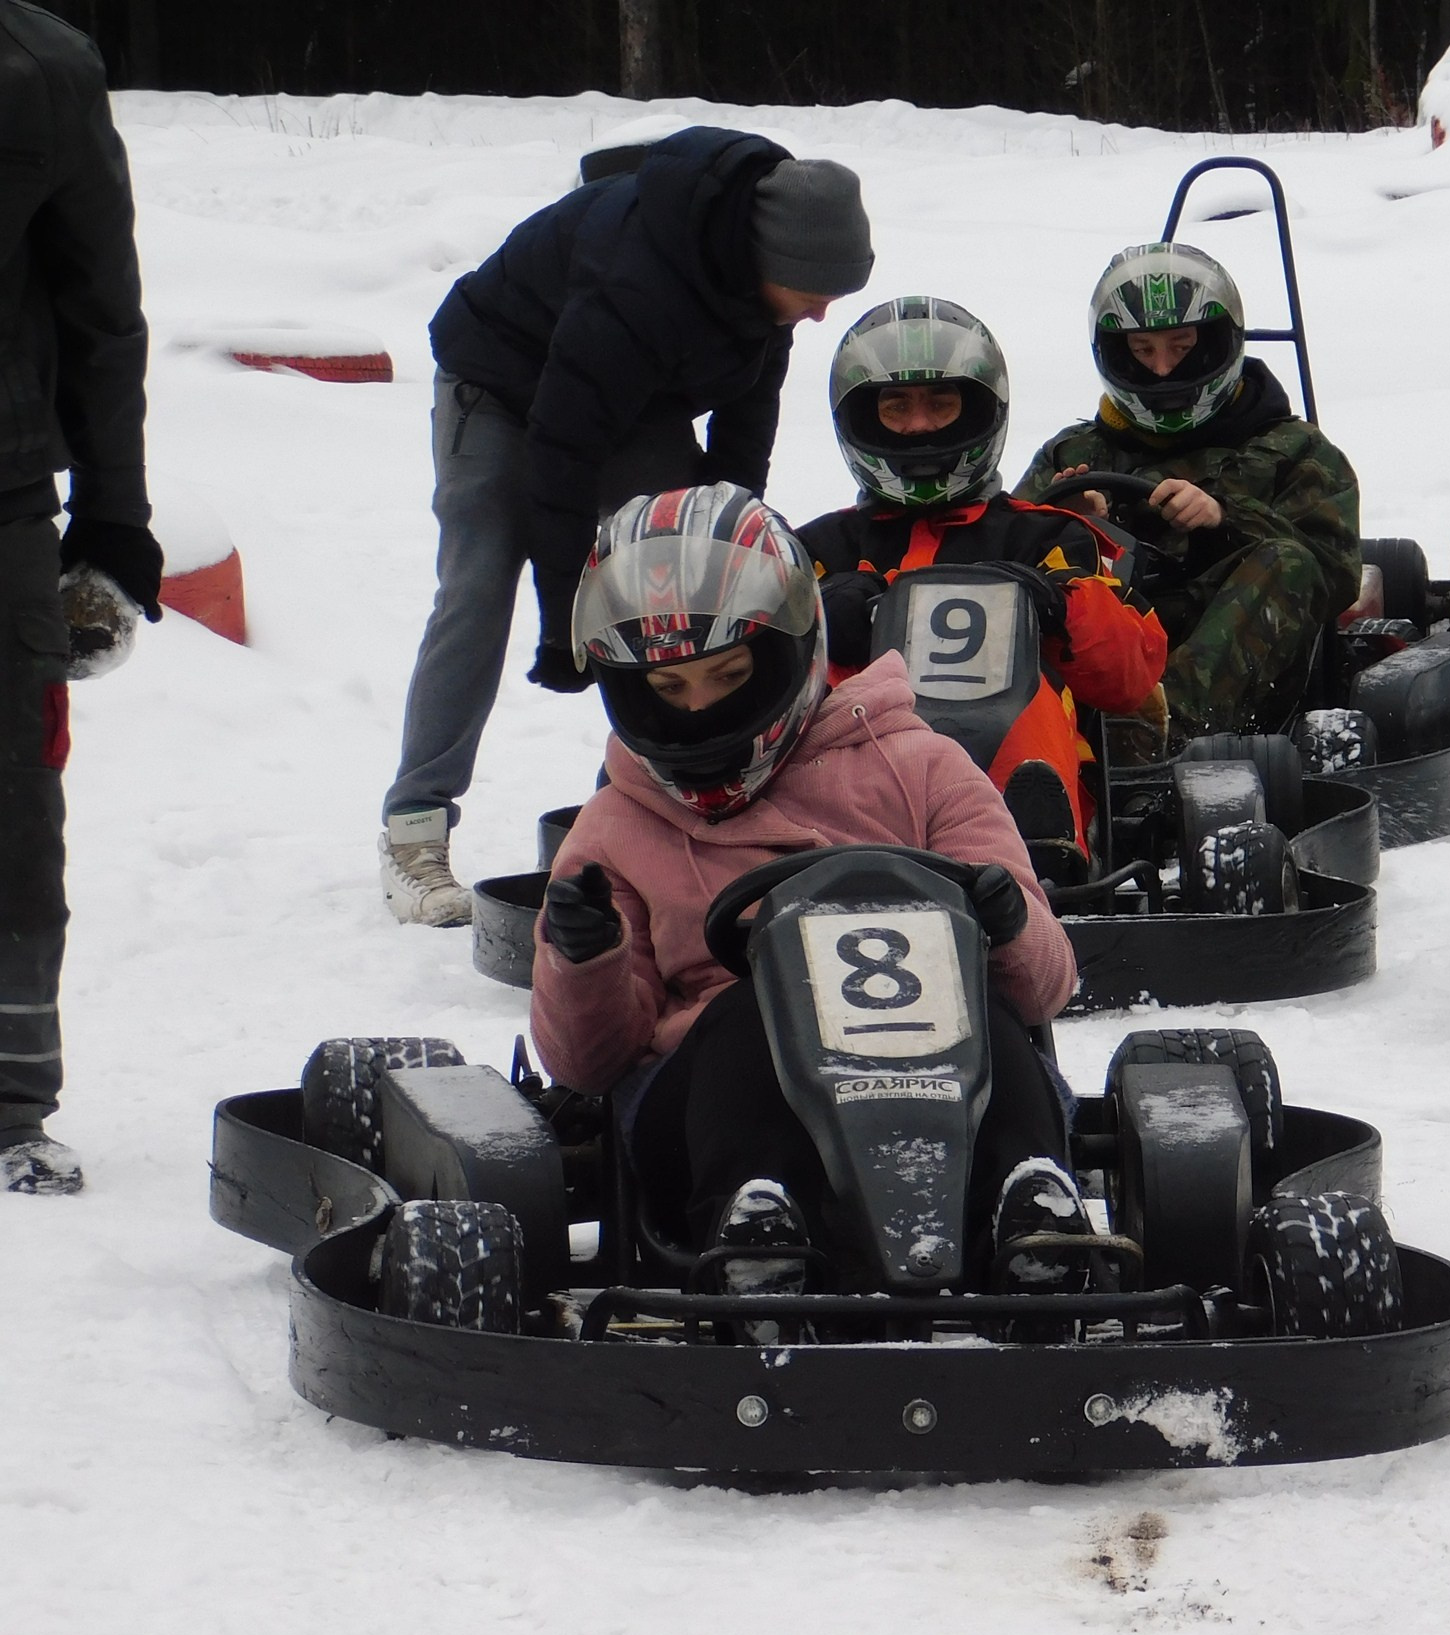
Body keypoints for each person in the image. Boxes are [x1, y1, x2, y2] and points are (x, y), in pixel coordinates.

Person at [529, 483, 1086, 1299]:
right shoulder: (615, 827)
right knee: (754, 1006)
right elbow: (587, 1063)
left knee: (987, 1012)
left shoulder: (921, 766)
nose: (701, 711)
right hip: (716, 1111)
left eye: (727, 674)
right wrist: (586, 960)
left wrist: (1004, 925)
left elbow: (1046, 988)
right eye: (668, 690)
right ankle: (759, 1234)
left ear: (794, 646)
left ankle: (1030, 1205)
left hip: (936, 1087)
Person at [379, 127, 874, 928]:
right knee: (480, 577)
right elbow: (560, 457)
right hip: (501, 385)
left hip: (631, 395)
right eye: (814, 292)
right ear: (764, 265)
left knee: (695, 576)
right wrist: (560, 622)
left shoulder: (766, 287)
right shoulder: (638, 279)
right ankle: (415, 828)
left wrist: (730, 548)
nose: (820, 315)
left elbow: (744, 439)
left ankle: (720, 787)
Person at [793, 294, 1165, 865]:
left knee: (1031, 688)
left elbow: (1132, 675)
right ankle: (819, 846)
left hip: (1011, 766)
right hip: (854, 778)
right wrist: (816, 622)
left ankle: (1038, 845)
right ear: (862, 419)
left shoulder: (1047, 539)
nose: (919, 427)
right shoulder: (817, 550)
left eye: (940, 405)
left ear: (978, 411)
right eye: (897, 408)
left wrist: (1057, 605)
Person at [1, 1, 159, 1197]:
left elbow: (102, 310)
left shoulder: (41, 70)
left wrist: (112, 514)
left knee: (9, 800)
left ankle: (7, 1101)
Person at [1018, 241, 1361, 751]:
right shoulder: (1073, 454)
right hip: (1106, 648)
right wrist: (1063, 525)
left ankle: (1152, 739)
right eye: (1143, 350)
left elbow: (1332, 574)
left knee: (1287, 561)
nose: (1161, 370)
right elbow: (995, 560)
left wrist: (1224, 519)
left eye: (1181, 347)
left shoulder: (1295, 450)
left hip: (1232, 659)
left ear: (1216, 345)